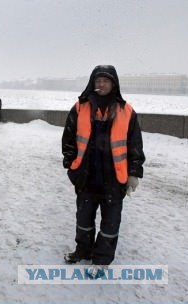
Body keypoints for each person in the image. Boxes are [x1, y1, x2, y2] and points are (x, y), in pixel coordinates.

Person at [62, 65, 145, 278]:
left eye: (106, 80)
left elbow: (135, 144)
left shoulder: (126, 111)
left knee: (110, 222)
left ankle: (102, 260)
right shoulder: (80, 107)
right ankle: (83, 250)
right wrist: (72, 167)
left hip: (114, 178)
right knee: (84, 218)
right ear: (92, 82)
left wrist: (134, 172)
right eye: (98, 80)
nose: (101, 84)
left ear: (114, 84)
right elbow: (69, 138)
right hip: (86, 176)